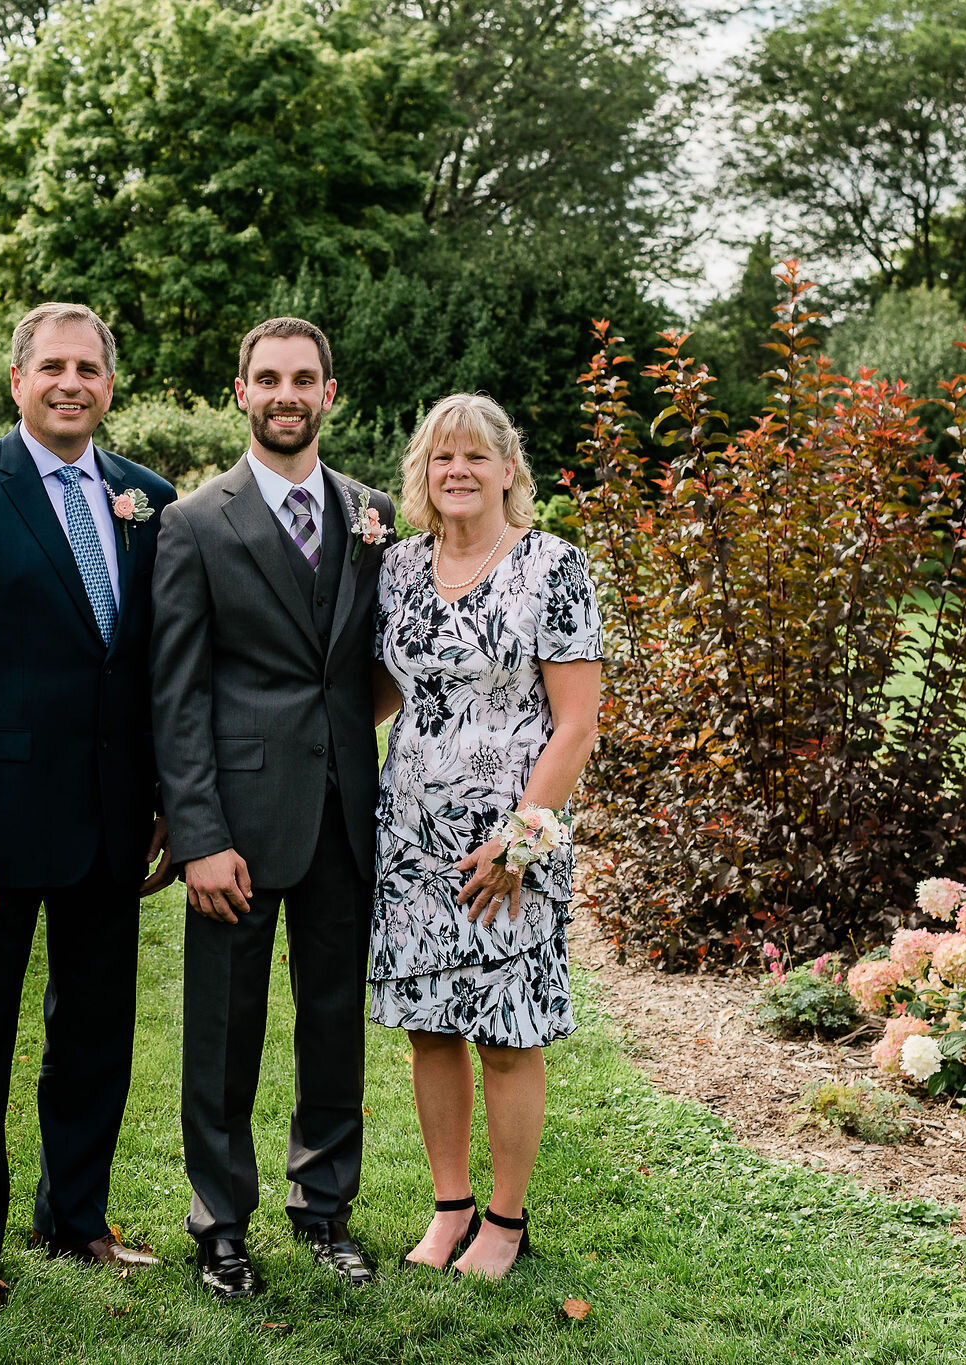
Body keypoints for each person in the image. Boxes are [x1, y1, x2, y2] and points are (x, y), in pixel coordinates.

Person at [0, 302, 176, 1312]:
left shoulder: (147, 499)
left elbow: (151, 672)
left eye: (87, 368)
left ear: (107, 384)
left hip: (107, 821)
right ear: (16, 381)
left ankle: (75, 1220)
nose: (70, 383)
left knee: (94, 1033)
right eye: (50, 367)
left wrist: (164, 802)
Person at [151, 317, 398, 1299]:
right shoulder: (192, 523)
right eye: (267, 379)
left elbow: (376, 662)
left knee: (332, 1021)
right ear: (240, 393)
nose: (285, 394)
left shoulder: (371, 513)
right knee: (223, 1031)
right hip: (237, 825)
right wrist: (197, 836)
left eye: (303, 378)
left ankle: (323, 1208)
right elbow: (172, 696)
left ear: (329, 393)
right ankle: (219, 1227)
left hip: (344, 808)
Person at [369, 393, 603, 1279]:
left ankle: (505, 1219)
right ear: (422, 476)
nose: (456, 471)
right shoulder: (397, 570)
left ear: (510, 470)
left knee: (506, 1034)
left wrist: (519, 843)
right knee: (429, 1027)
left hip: (510, 845)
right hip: (413, 839)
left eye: (475, 456)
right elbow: (391, 691)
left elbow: (576, 724)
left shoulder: (553, 566)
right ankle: (449, 1205)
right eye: (440, 458)